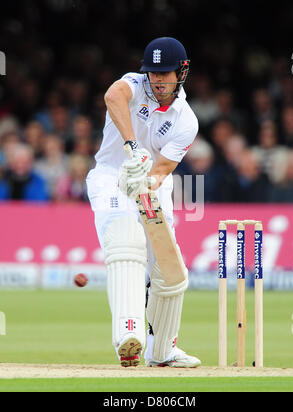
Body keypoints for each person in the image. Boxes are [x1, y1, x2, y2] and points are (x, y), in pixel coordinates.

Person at [86, 37, 200, 368]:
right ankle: (128, 335)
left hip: (151, 185)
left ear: (182, 72)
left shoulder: (186, 121)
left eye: (166, 73)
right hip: (110, 178)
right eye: (153, 73)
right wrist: (132, 148)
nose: (158, 80)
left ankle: (161, 351)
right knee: (126, 240)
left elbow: (162, 170)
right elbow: (112, 96)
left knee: (170, 269)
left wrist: (143, 182)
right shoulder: (133, 85)